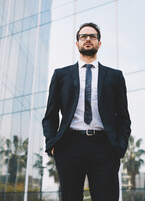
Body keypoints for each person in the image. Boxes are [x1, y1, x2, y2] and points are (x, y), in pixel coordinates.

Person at [42, 22, 131, 201]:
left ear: (99, 43)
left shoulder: (115, 76)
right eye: (83, 36)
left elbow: (123, 117)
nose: (88, 39)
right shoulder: (61, 75)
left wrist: (119, 146)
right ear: (77, 44)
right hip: (69, 145)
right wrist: (52, 143)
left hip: (105, 146)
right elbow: (50, 115)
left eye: (93, 36)